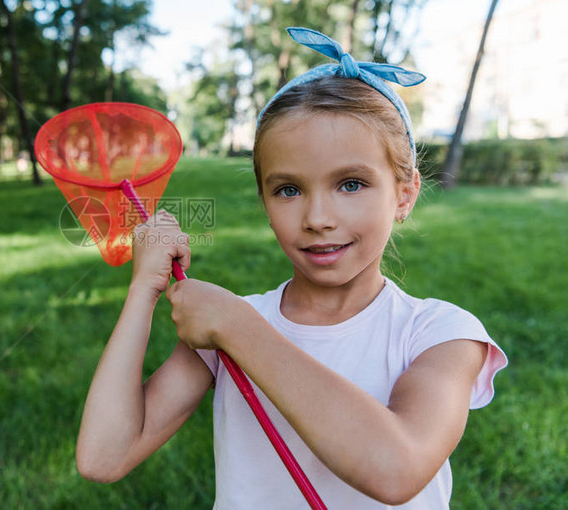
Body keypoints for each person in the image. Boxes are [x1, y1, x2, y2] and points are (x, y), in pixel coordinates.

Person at [75, 27, 507, 509]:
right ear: (264, 200)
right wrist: (143, 291)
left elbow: (397, 468)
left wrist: (238, 328)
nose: (318, 219)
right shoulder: (227, 326)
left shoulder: (441, 334)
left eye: (350, 184)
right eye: (288, 190)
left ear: (404, 194)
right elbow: (103, 456)